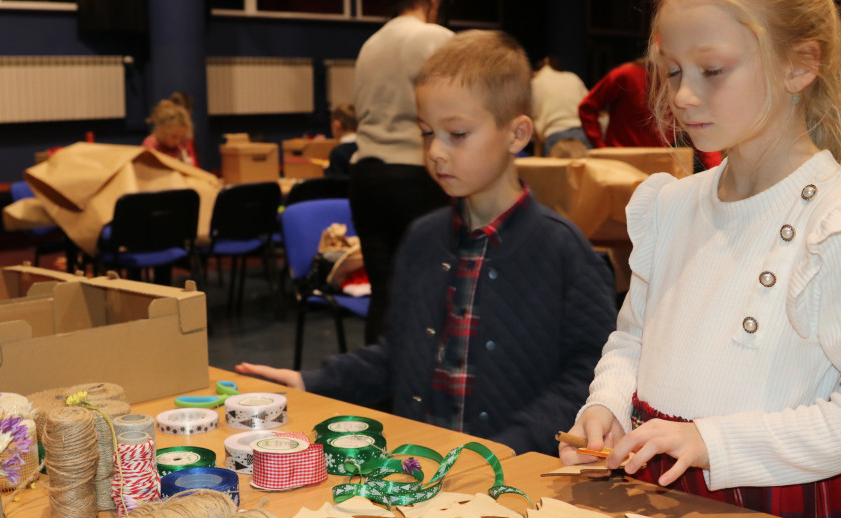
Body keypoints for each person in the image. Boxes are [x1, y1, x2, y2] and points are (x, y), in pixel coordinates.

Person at [559, 0, 841, 518]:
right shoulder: (670, 204)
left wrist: (712, 442)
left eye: (713, 70)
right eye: (673, 71)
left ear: (799, 66)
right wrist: (607, 405)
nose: (681, 95)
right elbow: (633, 338)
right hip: (648, 486)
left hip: (766, 507)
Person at [237, 31, 617, 456]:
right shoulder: (421, 240)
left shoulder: (563, 251)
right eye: (425, 132)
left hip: (512, 479)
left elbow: (592, 374)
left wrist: (513, 446)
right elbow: (398, 356)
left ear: (517, 134)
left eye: (457, 133)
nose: (435, 150)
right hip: (418, 468)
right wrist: (311, 382)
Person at [349, 0, 452, 345]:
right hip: (413, 177)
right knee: (427, 293)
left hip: (365, 178)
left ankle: (378, 379)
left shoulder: (369, 45)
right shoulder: (433, 37)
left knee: (383, 294)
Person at [578, 58, 722, 170]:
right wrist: (601, 147)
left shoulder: (685, 84)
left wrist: (717, 170)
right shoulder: (626, 75)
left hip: (659, 162)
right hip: (621, 161)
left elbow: (699, 125)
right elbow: (587, 108)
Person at [530, 56, 591, 154]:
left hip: (554, 135)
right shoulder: (573, 77)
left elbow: (530, 115)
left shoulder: (536, 83)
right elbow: (589, 105)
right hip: (582, 134)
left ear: (536, 72)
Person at [142, 93, 196, 166]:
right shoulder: (150, 145)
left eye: (180, 138)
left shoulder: (177, 148)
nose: (177, 141)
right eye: (174, 137)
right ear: (161, 129)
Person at [325, 102, 357, 178]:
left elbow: (336, 182)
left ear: (336, 125)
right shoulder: (367, 146)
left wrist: (327, 170)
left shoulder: (338, 152)